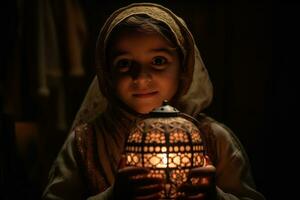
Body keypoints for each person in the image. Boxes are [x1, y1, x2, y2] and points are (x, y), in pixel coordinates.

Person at [42, 3, 265, 200]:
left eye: (158, 61)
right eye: (124, 63)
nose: (140, 77)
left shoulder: (214, 138)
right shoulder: (86, 143)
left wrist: (215, 196)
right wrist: (113, 196)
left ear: (184, 69)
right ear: (106, 74)